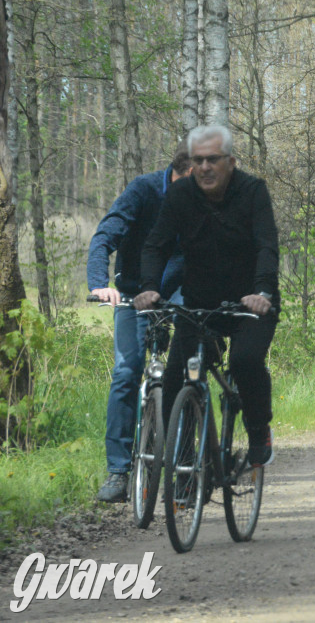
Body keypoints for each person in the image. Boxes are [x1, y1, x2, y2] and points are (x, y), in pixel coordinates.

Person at [135, 124, 280, 467]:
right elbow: (156, 244)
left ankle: (259, 430)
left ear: (230, 161)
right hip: (200, 303)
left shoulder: (253, 191)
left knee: (245, 362)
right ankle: (185, 469)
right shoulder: (181, 194)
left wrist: (262, 291)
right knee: (174, 381)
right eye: (197, 160)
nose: (204, 168)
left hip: (249, 304)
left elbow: (266, 246)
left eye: (212, 160)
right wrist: (148, 287)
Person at [87, 141, 191, 503]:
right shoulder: (143, 191)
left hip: (179, 293)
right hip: (132, 293)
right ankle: (118, 471)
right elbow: (105, 236)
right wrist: (100, 285)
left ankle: (186, 469)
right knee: (126, 372)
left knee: (189, 372)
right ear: (182, 174)